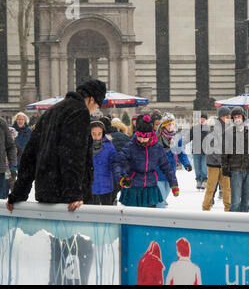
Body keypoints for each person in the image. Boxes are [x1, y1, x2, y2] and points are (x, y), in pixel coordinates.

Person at [6, 79, 106, 212]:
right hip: (68, 198)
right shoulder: (79, 112)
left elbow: (29, 155)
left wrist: (18, 193)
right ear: (91, 99)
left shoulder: (51, 111)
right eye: (97, 106)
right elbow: (73, 154)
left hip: (46, 191)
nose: (94, 111)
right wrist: (74, 193)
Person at [113, 115, 179, 208]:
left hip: (150, 187)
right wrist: (121, 177)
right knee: (132, 216)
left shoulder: (157, 148)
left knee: (149, 217)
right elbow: (118, 162)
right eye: (139, 137)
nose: (142, 140)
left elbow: (166, 166)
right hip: (133, 186)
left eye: (145, 138)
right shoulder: (131, 146)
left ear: (150, 135)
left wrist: (174, 184)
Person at [222, 106, 249, 213]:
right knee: (235, 201)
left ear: (243, 117)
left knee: (246, 201)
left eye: (239, 116)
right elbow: (224, 152)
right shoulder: (229, 132)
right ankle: (232, 223)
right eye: (235, 117)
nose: (237, 118)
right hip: (235, 169)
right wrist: (225, 168)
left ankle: (244, 222)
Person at [156, 113, 192, 206]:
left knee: (166, 194)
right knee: (161, 198)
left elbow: (181, 152)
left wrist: (186, 164)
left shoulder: (176, 137)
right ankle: (159, 216)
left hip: (171, 171)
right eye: (168, 124)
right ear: (163, 125)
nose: (171, 126)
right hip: (158, 170)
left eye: (172, 123)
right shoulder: (157, 137)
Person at [202, 107, 232, 212]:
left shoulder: (228, 128)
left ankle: (228, 208)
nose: (229, 118)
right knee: (211, 187)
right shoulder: (213, 128)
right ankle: (206, 207)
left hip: (224, 164)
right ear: (221, 117)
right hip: (213, 164)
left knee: (226, 188)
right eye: (227, 116)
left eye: (229, 116)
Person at [90, 121, 117, 205]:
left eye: (99, 134)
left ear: (103, 133)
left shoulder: (109, 146)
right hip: (89, 187)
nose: (96, 137)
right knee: (90, 214)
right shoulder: (84, 146)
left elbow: (115, 163)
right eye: (93, 134)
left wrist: (122, 175)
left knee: (106, 213)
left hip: (106, 186)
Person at [189, 113, 210, 190]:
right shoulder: (194, 128)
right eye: (201, 118)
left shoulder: (209, 129)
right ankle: (198, 180)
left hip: (205, 151)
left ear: (206, 120)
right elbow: (189, 137)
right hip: (196, 150)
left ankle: (204, 180)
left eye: (204, 119)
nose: (202, 120)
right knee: (197, 168)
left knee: (204, 167)